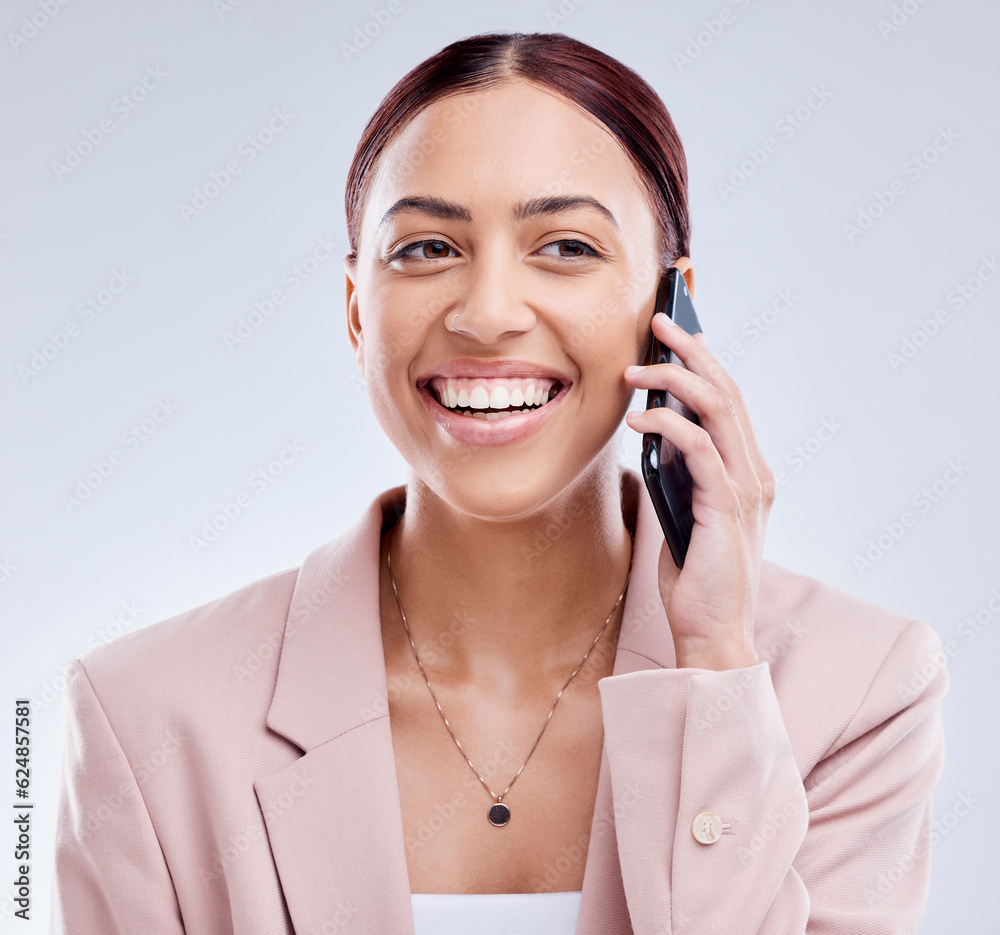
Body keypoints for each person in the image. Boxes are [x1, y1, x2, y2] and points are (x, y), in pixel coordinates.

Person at [51, 31, 948, 935]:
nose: (486, 313)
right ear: (358, 311)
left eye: (564, 245)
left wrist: (715, 663)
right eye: (427, 248)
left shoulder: (858, 693)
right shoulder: (144, 717)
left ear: (670, 308)